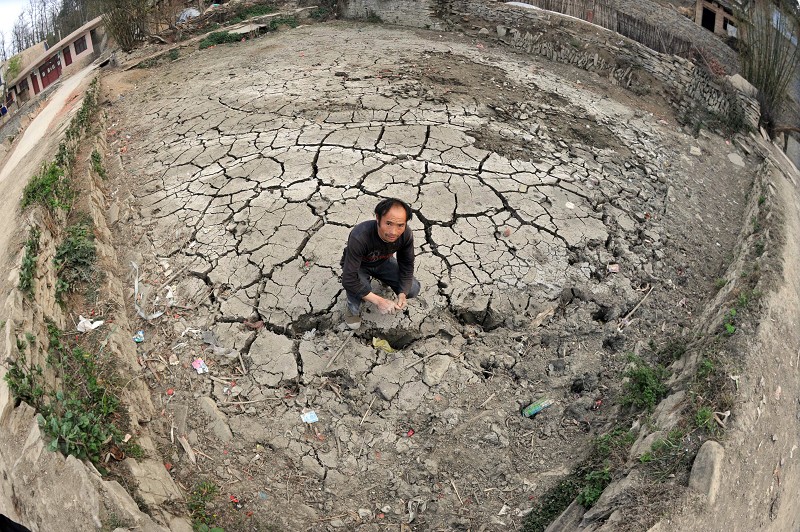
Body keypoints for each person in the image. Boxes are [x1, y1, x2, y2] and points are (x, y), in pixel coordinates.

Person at [340, 198, 421, 329]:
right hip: (360, 265)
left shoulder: (406, 235)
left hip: (383, 262)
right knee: (359, 289)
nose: (393, 232)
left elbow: (407, 265)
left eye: (400, 225)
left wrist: (402, 294)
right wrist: (379, 301)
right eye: (388, 223)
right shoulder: (360, 236)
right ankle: (352, 309)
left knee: (413, 289)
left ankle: (384, 280)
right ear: (378, 218)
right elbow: (348, 279)